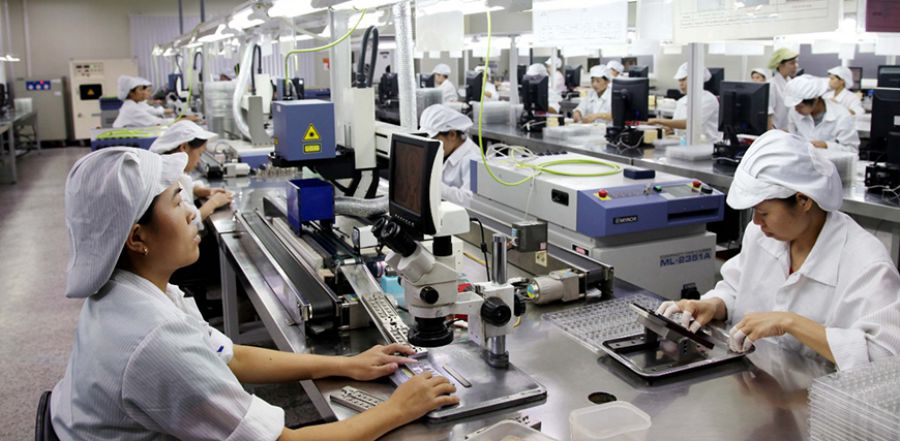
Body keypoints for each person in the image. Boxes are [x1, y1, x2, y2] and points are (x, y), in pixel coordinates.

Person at [51, 147, 458, 440]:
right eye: (178, 203)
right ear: (136, 238)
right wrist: (398, 409)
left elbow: (233, 356)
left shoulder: (134, 294)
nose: (195, 211)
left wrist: (346, 365)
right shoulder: (155, 339)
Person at [656, 130, 900, 371]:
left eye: (763, 213)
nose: (756, 222)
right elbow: (737, 288)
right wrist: (714, 305)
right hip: (759, 383)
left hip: (822, 400)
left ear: (803, 200)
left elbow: (883, 359)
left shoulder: (867, 264)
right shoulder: (763, 235)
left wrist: (791, 323)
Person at [149, 120, 233, 230]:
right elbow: (189, 221)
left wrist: (199, 190)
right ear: (184, 148)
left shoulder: (165, 168)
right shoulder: (167, 179)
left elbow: (183, 185)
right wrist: (215, 202)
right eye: (199, 154)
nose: (198, 161)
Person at [419, 104, 480, 207]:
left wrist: (433, 186)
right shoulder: (447, 151)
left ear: (452, 134)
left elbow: (469, 201)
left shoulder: (474, 160)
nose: (430, 144)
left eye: (433, 139)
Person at [784, 75, 860, 152]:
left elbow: (852, 150)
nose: (796, 110)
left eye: (800, 106)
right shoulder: (794, 112)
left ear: (815, 100)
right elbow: (792, 139)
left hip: (832, 163)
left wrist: (826, 145)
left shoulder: (842, 116)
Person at [647, 62, 720, 142]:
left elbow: (690, 124)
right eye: (679, 80)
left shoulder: (708, 99)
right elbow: (675, 126)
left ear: (696, 79)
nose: (680, 84)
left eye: (683, 79)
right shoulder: (682, 101)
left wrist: (658, 120)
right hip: (684, 145)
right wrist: (669, 129)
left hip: (706, 147)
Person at [113, 76, 199, 128]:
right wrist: (184, 119)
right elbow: (157, 122)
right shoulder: (131, 108)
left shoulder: (134, 104)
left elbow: (152, 114)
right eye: (140, 90)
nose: (144, 93)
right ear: (131, 93)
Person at [768, 48, 800, 130]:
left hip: (790, 130)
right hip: (777, 131)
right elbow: (769, 113)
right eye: (792, 63)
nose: (796, 66)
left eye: (796, 62)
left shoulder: (792, 83)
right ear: (780, 64)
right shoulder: (772, 84)